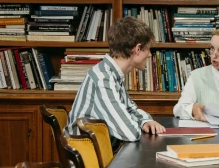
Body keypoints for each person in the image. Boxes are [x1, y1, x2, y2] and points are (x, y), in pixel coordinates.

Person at [68, 16, 165, 144]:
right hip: (89, 157)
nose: (149, 54)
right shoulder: (104, 79)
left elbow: (130, 109)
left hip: (100, 150)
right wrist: (139, 124)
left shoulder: (112, 73)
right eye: (148, 48)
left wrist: (146, 121)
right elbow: (130, 133)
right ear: (137, 49)